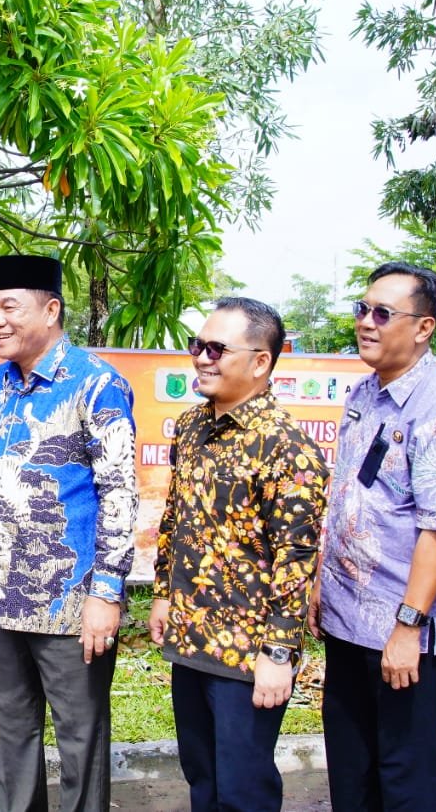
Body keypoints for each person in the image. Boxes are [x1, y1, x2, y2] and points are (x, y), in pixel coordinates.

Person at [0, 254, 137, 812]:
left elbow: (120, 494)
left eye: (9, 307)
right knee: (14, 730)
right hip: (5, 595)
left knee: (81, 737)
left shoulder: (96, 383)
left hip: (72, 601)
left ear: (51, 309)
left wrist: (106, 594)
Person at [309, 262, 436, 811]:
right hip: (348, 621)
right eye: (362, 309)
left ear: (424, 327)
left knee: (404, 775)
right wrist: (321, 585)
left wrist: (408, 628)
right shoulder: (366, 392)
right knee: (352, 768)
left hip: (403, 630)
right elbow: (353, 496)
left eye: (383, 313)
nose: (367, 322)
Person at [149, 298, 327, 811]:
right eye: (197, 346)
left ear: (260, 361)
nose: (201, 358)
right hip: (190, 635)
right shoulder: (191, 426)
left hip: (249, 653)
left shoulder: (286, 446)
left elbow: (297, 558)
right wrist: (162, 593)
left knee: (243, 791)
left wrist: (278, 654)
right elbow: (176, 516)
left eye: (216, 349)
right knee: (201, 778)